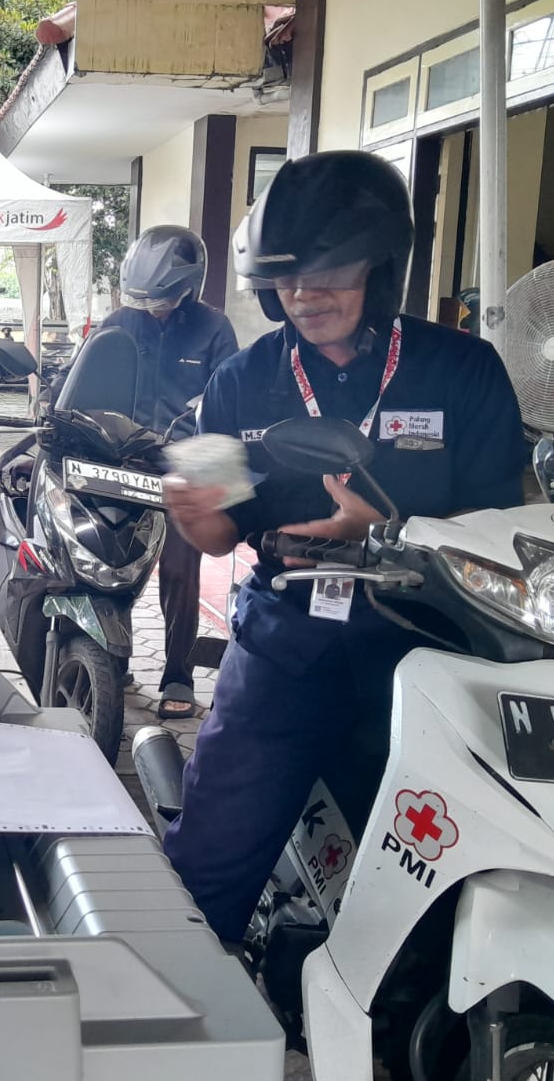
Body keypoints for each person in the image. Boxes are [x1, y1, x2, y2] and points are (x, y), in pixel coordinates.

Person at [160, 150, 527, 942]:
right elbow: (222, 528)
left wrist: (383, 536)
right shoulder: (238, 380)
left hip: (424, 648)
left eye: (329, 271)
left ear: (381, 267)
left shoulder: (463, 370)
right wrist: (195, 518)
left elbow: (500, 533)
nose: (305, 295)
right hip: (285, 642)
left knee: (436, 877)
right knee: (208, 863)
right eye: (287, 278)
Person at [89, 225, 240, 720]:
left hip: (182, 466)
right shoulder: (118, 323)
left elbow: (229, 401)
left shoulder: (215, 329)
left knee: (179, 570)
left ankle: (178, 673)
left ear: (189, 286)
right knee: (111, 564)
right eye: (145, 298)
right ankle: (114, 656)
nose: (152, 307)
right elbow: (83, 385)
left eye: (163, 299)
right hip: (120, 464)